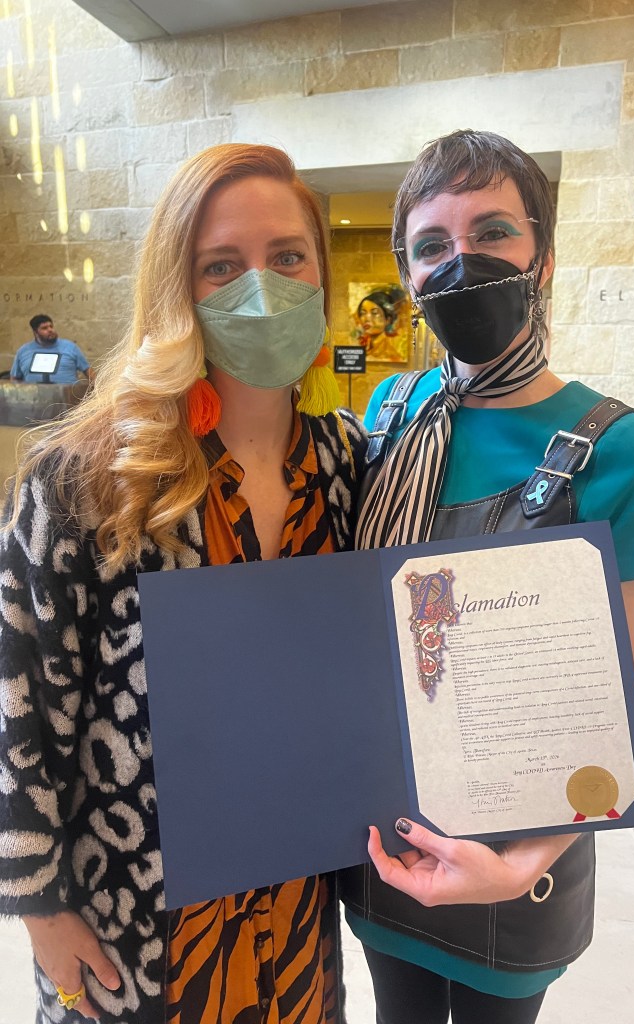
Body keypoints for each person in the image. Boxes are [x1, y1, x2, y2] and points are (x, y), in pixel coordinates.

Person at [0, 144, 366, 1024]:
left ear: (320, 270)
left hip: (297, 906)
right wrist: (41, 911)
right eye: (220, 266)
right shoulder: (85, 476)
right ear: (178, 288)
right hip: (136, 923)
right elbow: (20, 700)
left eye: (287, 256)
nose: (261, 285)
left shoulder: (348, 461)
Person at [340, 129, 634, 1024]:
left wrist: (520, 864)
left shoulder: (615, 447)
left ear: (543, 255)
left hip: (522, 859)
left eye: (493, 233)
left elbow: (622, 710)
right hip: (391, 838)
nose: (460, 263)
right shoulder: (392, 411)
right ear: (409, 275)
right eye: (432, 245)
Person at [11, 314, 93, 383]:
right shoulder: (23, 351)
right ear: (35, 332)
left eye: (51, 326)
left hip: (67, 398)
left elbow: (89, 372)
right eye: (44, 328)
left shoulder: (70, 347)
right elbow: (15, 379)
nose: (50, 330)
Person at [355, 288, 408, 362]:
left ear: (388, 320)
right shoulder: (363, 347)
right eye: (363, 313)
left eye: (374, 313)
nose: (367, 318)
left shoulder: (390, 353)